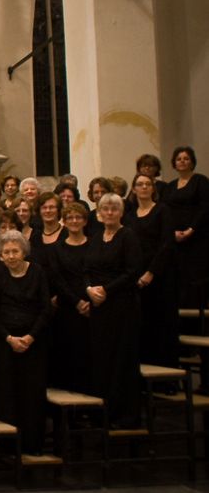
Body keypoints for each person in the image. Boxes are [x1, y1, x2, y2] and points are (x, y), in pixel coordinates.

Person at [0, 231, 52, 456]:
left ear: (24, 251)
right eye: (7, 252)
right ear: (1, 256)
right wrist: (8, 338)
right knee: (6, 393)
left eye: (15, 251)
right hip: (5, 343)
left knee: (31, 394)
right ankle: (7, 446)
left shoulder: (37, 272)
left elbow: (45, 308)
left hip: (33, 343)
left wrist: (30, 337)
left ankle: (32, 444)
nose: (12, 256)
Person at [85, 193, 143, 428]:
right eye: (105, 209)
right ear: (99, 213)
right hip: (100, 308)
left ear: (121, 213)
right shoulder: (97, 238)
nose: (109, 213)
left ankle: (124, 414)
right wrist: (89, 289)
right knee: (103, 359)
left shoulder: (128, 236)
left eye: (114, 209)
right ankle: (103, 411)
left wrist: (106, 290)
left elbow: (133, 271)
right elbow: (86, 267)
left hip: (122, 306)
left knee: (122, 360)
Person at [125, 172, 177, 367]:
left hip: (160, 276)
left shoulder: (163, 210)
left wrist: (151, 272)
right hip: (136, 278)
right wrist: (136, 274)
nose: (144, 187)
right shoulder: (129, 217)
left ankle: (167, 378)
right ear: (134, 189)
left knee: (162, 325)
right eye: (140, 184)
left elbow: (166, 244)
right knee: (142, 325)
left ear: (153, 189)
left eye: (148, 184)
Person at [47, 202, 92, 393]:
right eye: (70, 218)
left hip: (91, 306)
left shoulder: (94, 244)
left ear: (85, 221)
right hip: (67, 306)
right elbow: (57, 279)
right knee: (68, 353)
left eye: (78, 217)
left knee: (88, 354)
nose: (74, 221)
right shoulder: (57, 249)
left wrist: (87, 300)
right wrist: (76, 301)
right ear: (64, 222)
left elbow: (93, 273)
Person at [163, 147, 209, 310]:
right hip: (176, 238)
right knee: (179, 277)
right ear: (174, 163)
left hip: (197, 238)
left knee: (196, 277)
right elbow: (166, 211)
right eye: (179, 159)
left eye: (186, 158)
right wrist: (172, 232)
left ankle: (200, 322)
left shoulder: (200, 181)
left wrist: (191, 230)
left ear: (192, 162)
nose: (182, 161)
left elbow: (204, 208)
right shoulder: (170, 186)